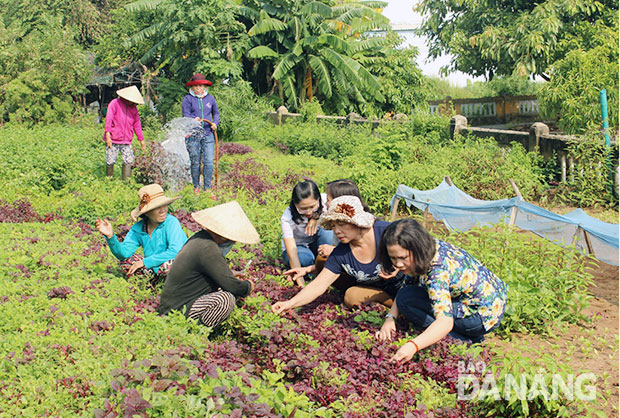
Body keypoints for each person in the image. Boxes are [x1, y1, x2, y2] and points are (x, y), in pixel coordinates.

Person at [375, 219, 508, 362]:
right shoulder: (427, 248)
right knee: (405, 297)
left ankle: (465, 341)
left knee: (408, 302)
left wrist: (413, 345)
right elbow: (407, 286)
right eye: (393, 258)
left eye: (402, 258)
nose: (398, 264)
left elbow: (445, 322)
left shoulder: (437, 271)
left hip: (481, 315)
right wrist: (390, 318)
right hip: (482, 302)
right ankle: (465, 334)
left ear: (417, 249)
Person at [271, 195, 406, 313]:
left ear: (357, 222)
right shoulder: (341, 252)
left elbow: (418, 252)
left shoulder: (386, 232)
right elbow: (319, 285)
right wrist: (289, 304)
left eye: (341, 224)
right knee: (351, 296)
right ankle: (395, 309)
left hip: (408, 285)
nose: (336, 231)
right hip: (377, 292)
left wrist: (399, 266)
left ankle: (402, 307)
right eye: (333, 226)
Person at [157, 201, 259, 327]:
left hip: (173, 304)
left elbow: (206, 271)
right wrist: (249, 285)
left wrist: (231, 273)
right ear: (223, 237)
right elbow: (234, 287)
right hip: (179, 309)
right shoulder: (208, 249)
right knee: (225, 300)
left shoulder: (200, 238)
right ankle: (196, 332)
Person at [96, 184, 188, 286]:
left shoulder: (171, 222)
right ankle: (153, 283)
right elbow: (124, 253)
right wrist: (110, 237)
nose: (162, 210)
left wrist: (144, 262)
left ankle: (169, 286)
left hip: (179, 263)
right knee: (126, 262)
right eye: (157, 207)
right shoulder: (138, 228)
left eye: (164, 205)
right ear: (147, 212)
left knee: (169, 266)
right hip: (154, 266)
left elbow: (175, 251)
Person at [281, 180, 333, 286]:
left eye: (312, 207)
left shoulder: (325, 200)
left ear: (318, 199)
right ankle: (315, 265)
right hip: (299, 246)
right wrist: (300, 283)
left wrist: (316, 217)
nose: (309, 212)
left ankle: (327, 265)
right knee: (304, 259)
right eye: (303, 209)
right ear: (295, 204)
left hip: (318, 240)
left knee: (328, 232)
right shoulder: (287, 217)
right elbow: (292, 251)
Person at [181, 73, 219, 196]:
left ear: (204, 86)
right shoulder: (187, 99)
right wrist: (193, 119)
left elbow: (216, 113)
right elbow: (185, 114)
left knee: (208, 162)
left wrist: (215, 123)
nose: (198, 89)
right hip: (193, 135)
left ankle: (207, 188)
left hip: (208, 134)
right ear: (192, 88)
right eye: (196, 86)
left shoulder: (210, 98)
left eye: (200, 86)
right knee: (195, 162)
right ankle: (196, 187)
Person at [316, 179, 370, 261]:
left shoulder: (366, 228)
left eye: (328, 200)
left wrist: (334, 251)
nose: (326, 204)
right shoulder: (337, 226)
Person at [104, 85, 147, 180]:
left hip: (127, 140)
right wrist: (108, 136)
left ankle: (126, 183)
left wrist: (141, 140)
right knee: (110, 161)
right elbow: (109, 120)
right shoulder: (114, 103)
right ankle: (108, 182)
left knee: (128, 161)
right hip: (113, 138)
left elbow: (137, 125)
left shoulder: (133, 108)